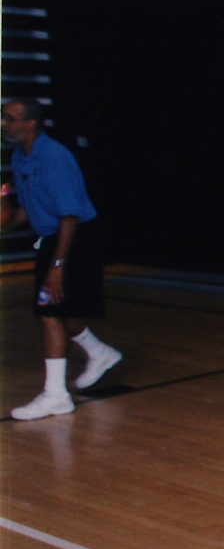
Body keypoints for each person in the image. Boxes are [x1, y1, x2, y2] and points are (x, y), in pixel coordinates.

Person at [1, 98, 123, 421]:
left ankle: (56, 395)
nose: (4, 124)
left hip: (76, 238)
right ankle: (99, 353)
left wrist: (58, 266)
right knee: (59, 310)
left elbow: (69, 215)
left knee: (49, 311)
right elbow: (27, 208)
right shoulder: (19, 157)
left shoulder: (54, 157)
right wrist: (5, 224)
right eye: (3, 118)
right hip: (54, 238)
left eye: (11, 119)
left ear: (31, 124)